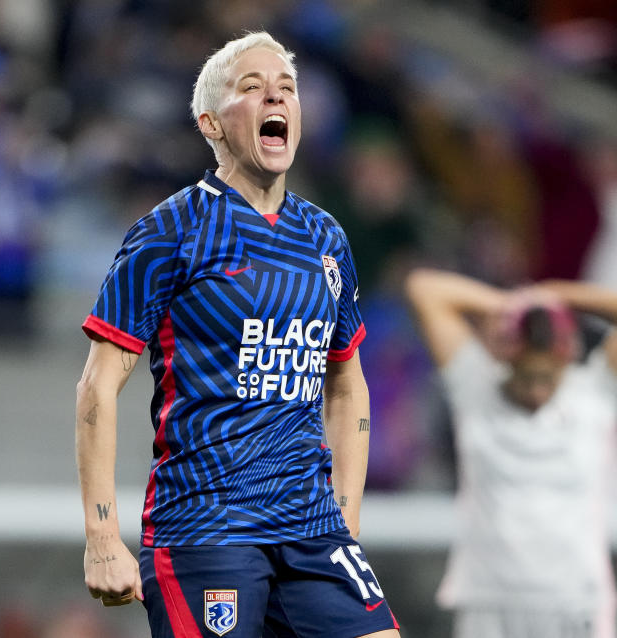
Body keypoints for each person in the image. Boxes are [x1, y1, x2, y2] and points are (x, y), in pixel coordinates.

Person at [75, 32, 400, 638]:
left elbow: (348, 385)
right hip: (206, 525)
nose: (274, 96)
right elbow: (97, 386)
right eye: (250, 88)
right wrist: (101, 536)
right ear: (210, 123)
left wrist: (346, 525)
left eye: (287, 89)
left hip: (311, 528)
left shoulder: (326, 238)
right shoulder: (169, 232)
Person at [404, 268, 617, 638]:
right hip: (489, 596)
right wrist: (515, 306)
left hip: (576, 598)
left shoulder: (594, 395)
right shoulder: (475, 389)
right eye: (526, 376)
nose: (536, 391)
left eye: (547, 378)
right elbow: (424, 288)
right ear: (507, 359)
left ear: (565, 360)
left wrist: (556, 294)